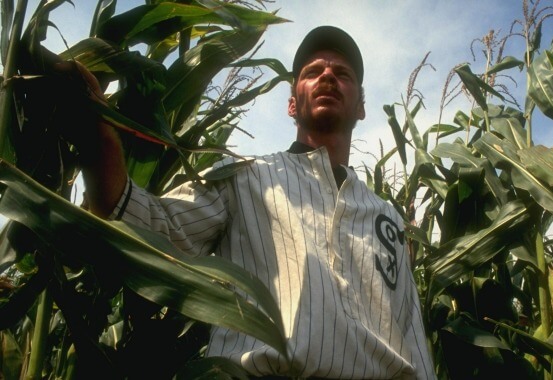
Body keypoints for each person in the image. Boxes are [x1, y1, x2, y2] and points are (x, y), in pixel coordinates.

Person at [71, 25, 435, 379]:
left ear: (361, 107)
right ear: (292, 104)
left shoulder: (386, 219)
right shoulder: (244, 177)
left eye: (342, 73)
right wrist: (95, 127)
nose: (327, 76)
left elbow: (412, 339)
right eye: (312, 72)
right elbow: (145, 225)